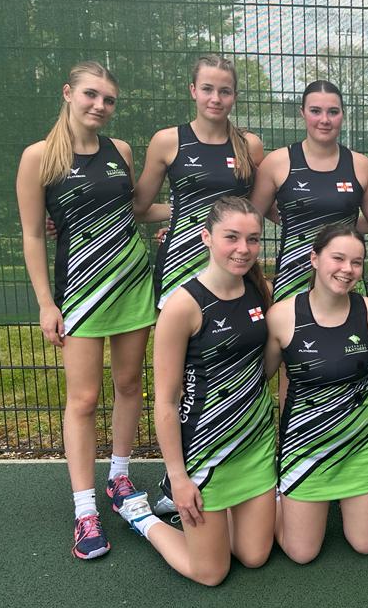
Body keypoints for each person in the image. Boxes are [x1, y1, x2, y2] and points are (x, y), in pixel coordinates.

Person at [16, 61, 163, 560]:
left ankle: (119, 478)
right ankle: (85, 512)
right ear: (68, 93)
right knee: (82, 400)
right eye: (91, 95)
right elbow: (33, 235)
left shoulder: (121, 150)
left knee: (130, 385)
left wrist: (196, 211)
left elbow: (135, 211)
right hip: (79, 294)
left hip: (133, 286)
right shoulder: (39, 157)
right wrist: (45, 303)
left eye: (108, 99)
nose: (100, 105)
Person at [114, 197, 277, 585]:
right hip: (204, 450)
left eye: (253, 239)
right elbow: (166, 402)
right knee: (211, 572)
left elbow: (263, 367)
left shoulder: (261, 290)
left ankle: (216, 524)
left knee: (254, 556)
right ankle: (143, 518)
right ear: (206, 237)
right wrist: (179, 477)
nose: (243, 249)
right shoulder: (182, 306)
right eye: (231, 237)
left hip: (255, 442)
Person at [264, 224, 368, 563]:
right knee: (301, 554)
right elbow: (259, 377)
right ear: (314, 258)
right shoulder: (281, 316)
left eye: (356, 262)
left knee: (366, 545)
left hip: (360, 445)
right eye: (338, 258)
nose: (347, 269)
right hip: (305, 446)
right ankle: (273, 501)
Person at [133, 54, 264, 308]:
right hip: (179, 264)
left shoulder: (250, 145)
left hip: (233, 264)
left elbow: (259, 206)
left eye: (225, 91)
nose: (216, 99)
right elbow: (138, 208)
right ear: (193, 90)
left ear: (235, 96)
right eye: (207, 89)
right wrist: (182, 214)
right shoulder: (167, 141)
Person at [252, 81, 368, 303]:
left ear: (343, 115)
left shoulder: (360, 165)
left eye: (333, 112)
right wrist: (294, 220)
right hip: (292, 280)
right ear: (302, 113)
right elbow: (251, 217)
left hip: (344, 280)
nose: (325, 120)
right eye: (315, 111)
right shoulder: (277, 162)